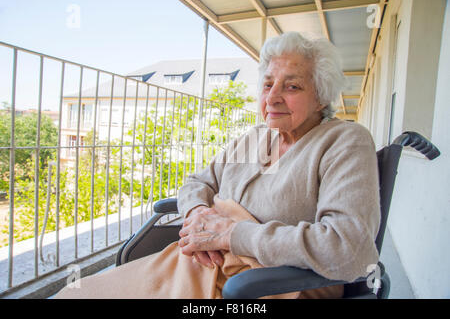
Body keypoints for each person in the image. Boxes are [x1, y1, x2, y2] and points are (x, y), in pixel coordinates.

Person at [55, 32, 380, 299]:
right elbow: (197, 183)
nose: (272, 98)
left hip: (271, 284)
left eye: (292, 86)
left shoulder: (344, 141)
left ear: (321, 96)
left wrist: (234, 234)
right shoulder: (254, 138)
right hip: (200, 262)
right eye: (268, 84)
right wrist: (197, 213)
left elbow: (347, 247)